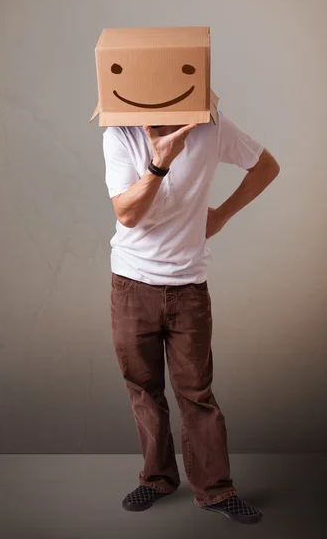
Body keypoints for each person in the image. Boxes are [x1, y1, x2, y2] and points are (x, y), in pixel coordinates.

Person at [102, 111, 280, 524]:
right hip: (132, 284)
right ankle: (157, 479)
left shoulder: (212, 126)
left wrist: (221, 215)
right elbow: (127, 214)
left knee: (197, 393)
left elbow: (266, 166)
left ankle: (216, 490)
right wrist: (159, 163)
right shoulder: (120, 133)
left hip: (188, 287)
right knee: (143, 388)